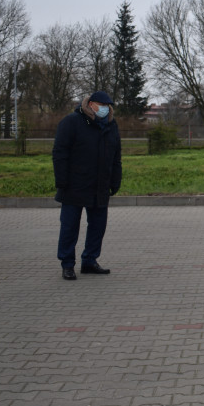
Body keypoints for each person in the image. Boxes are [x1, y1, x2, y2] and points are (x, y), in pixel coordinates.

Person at [52, 90, 122, 280]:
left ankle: (90, 260)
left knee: (98, 226)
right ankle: (67, 264)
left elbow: (116, 156)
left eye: (108, 106)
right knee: (69, 227)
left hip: (100, 186)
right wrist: (62, 181)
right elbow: (60, 153)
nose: (105, 109)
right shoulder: (71, 122)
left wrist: (116, 180)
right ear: (90, 104)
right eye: (102, 105)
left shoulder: (110, 125)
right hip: (74, 186)